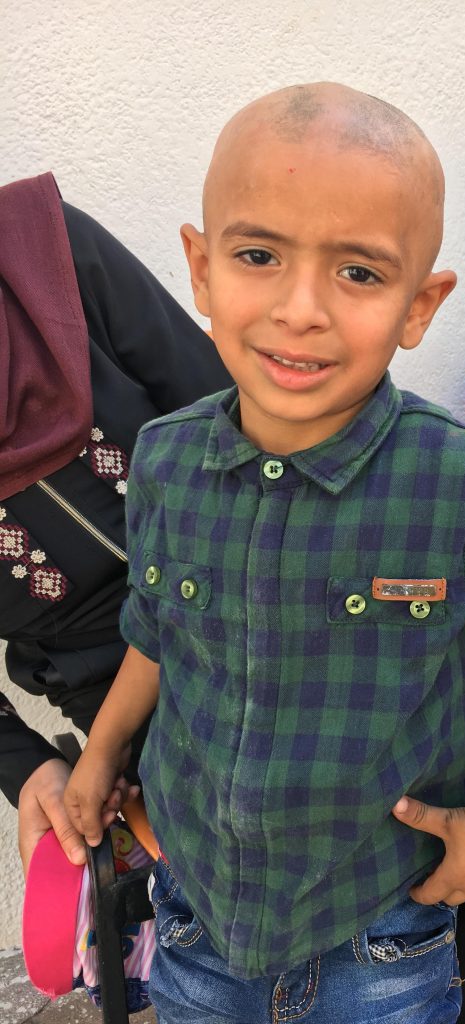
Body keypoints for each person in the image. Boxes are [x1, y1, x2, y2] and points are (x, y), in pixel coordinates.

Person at [63, 82, 465, 1024]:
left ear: (420, 304)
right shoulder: (165, 459)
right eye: (259, 255)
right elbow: (157, 631)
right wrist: (100, 754)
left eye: (358, 273)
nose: (300, 308)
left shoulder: (462, 483)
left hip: (381, 932)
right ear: (199, 267)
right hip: (198, 918)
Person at [0, 171, 232, 876]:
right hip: (100, 673)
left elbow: (228, 414)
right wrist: (26, 766)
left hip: (243, 573)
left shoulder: (38, 248)